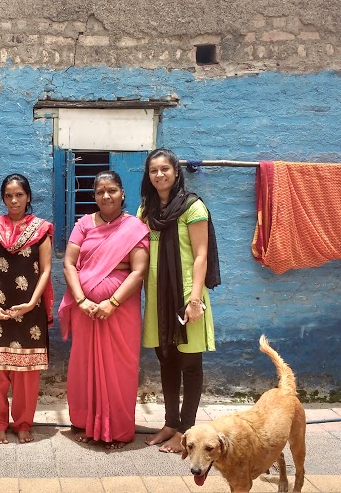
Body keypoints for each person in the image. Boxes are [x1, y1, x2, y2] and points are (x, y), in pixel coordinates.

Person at [58, 171, 150, 449]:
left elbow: (138, 270)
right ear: (94, 196)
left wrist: (112, 303)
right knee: (84, 365)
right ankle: (86, 423)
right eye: (100, 191)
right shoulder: (84, 224)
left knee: (120, 367)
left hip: (120, 311)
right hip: (85, 309)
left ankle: (118, 429)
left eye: (111, 190)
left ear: (122, 193)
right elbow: (69, 264)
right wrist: (82, 299)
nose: (106, 196)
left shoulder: (133, 227)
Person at [138, 148, 216, 454]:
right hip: (157, 295)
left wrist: (195, 299)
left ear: (176, 172)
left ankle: (186, 429)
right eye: (153, 170)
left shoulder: (193, 207)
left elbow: (201, 255)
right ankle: (171, 423)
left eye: (164, 169)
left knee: (190, 363)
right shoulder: (146, 211)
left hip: (187, 294)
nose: (159, 175)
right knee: (166, 359)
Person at [0, 173, 53, 445]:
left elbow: (46, 270)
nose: (14, 200)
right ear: (3, 198)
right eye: (9, 195)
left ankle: (23, 424)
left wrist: (32, 302)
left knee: (26, 375)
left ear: (28, 197)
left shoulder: (41, 230)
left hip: (29, 310)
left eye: (19, 194)